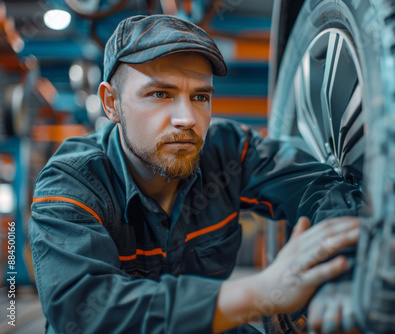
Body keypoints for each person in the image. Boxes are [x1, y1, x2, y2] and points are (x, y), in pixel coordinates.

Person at [28, 14, 363, 333]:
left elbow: (327, 190)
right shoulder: (71, 183)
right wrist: (259, 291)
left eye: (200, 96)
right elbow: (85, 313)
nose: (186, 118)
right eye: (160, 94)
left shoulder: (229, 152)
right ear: (111, 103)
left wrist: (338, 272)